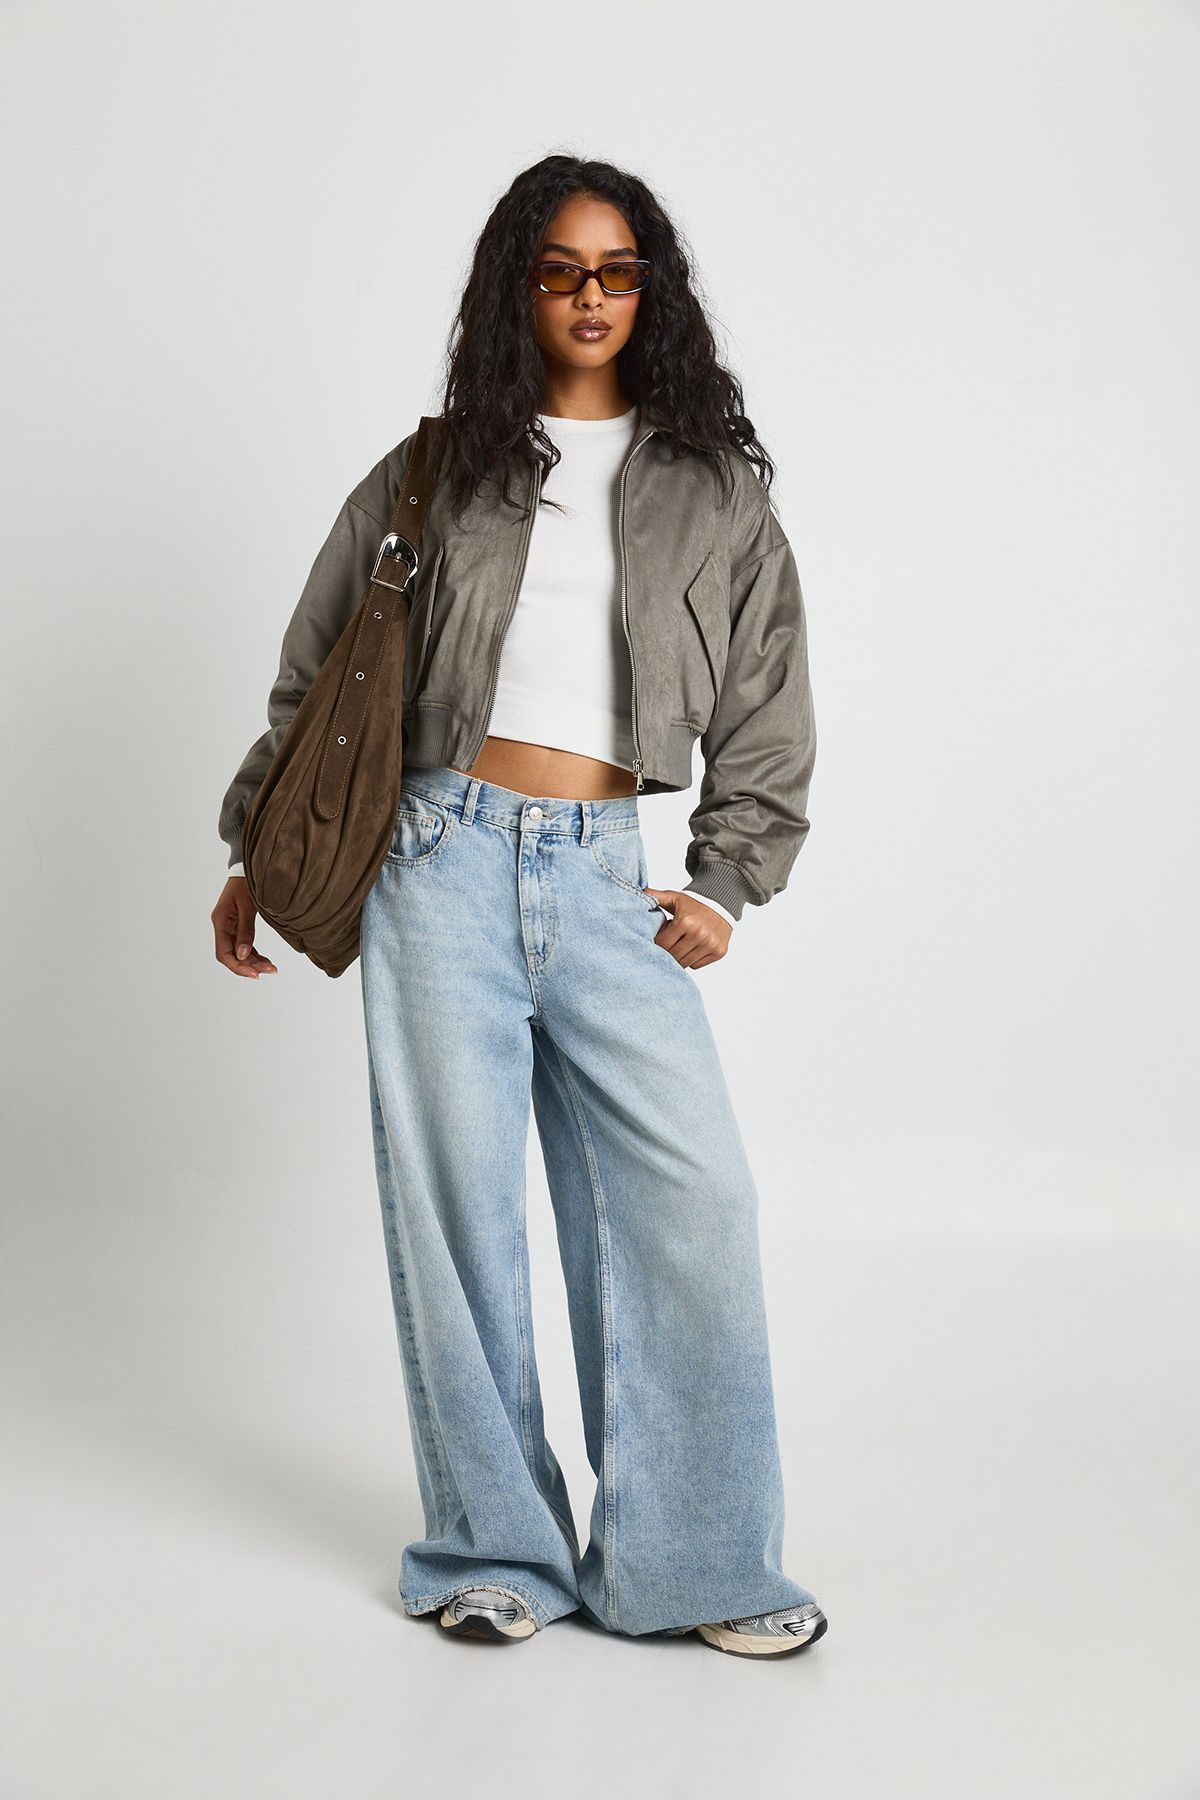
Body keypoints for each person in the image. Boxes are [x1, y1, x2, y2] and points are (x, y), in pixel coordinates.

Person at [212, 154, 827, 1658]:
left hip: (611, 872)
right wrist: (253, 847)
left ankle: (693, 1565)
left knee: (693, 1203)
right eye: (560, 271)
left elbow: (769, 700)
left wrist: (728, 879)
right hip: (437, 858)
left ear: (652, 291)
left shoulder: (713, 489)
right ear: (519, 289)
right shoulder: (434, 470)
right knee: (458, 1215)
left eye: (618, 271)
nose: (591, 296)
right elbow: (319, 673)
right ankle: (493, 1552)